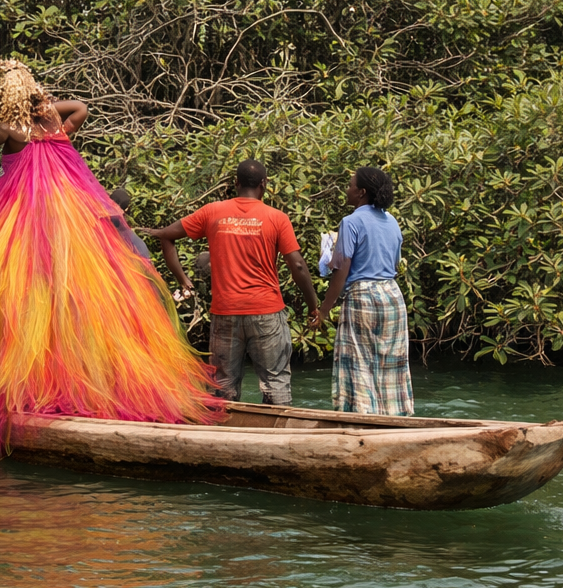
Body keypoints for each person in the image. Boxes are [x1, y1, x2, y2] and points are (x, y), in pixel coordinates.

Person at [0, 59, 221, 459]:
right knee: (71, 302)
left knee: (7, 299)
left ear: (0, 96)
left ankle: (15, 390)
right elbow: (82, 107)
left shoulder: (12, 128)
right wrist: (62, 131)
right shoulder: (50, 116)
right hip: (69, 224)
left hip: (24, 222)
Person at [144, 161, 320, 406]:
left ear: (235, 183)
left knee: (223, 386)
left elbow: (166, 235)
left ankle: (223, 438)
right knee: (275, 381)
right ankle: (277, 439)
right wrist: (313, 306)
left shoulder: (212, 212)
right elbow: (298, 266)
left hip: (225, 312)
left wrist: (183, 281)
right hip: (266, 311)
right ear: (264, 185)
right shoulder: (277, 218)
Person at [309, 166, 412, 415]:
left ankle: (360, 418)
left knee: (358, 363)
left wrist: (323, 311)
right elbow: (394, 262)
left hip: (363, 296)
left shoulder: (351, 222)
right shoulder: (392, 221)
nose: (347, 189)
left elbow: (341, 271)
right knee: (391, 364)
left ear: (361, 192)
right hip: (392, 296)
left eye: (350, 185)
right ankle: (396, 417)